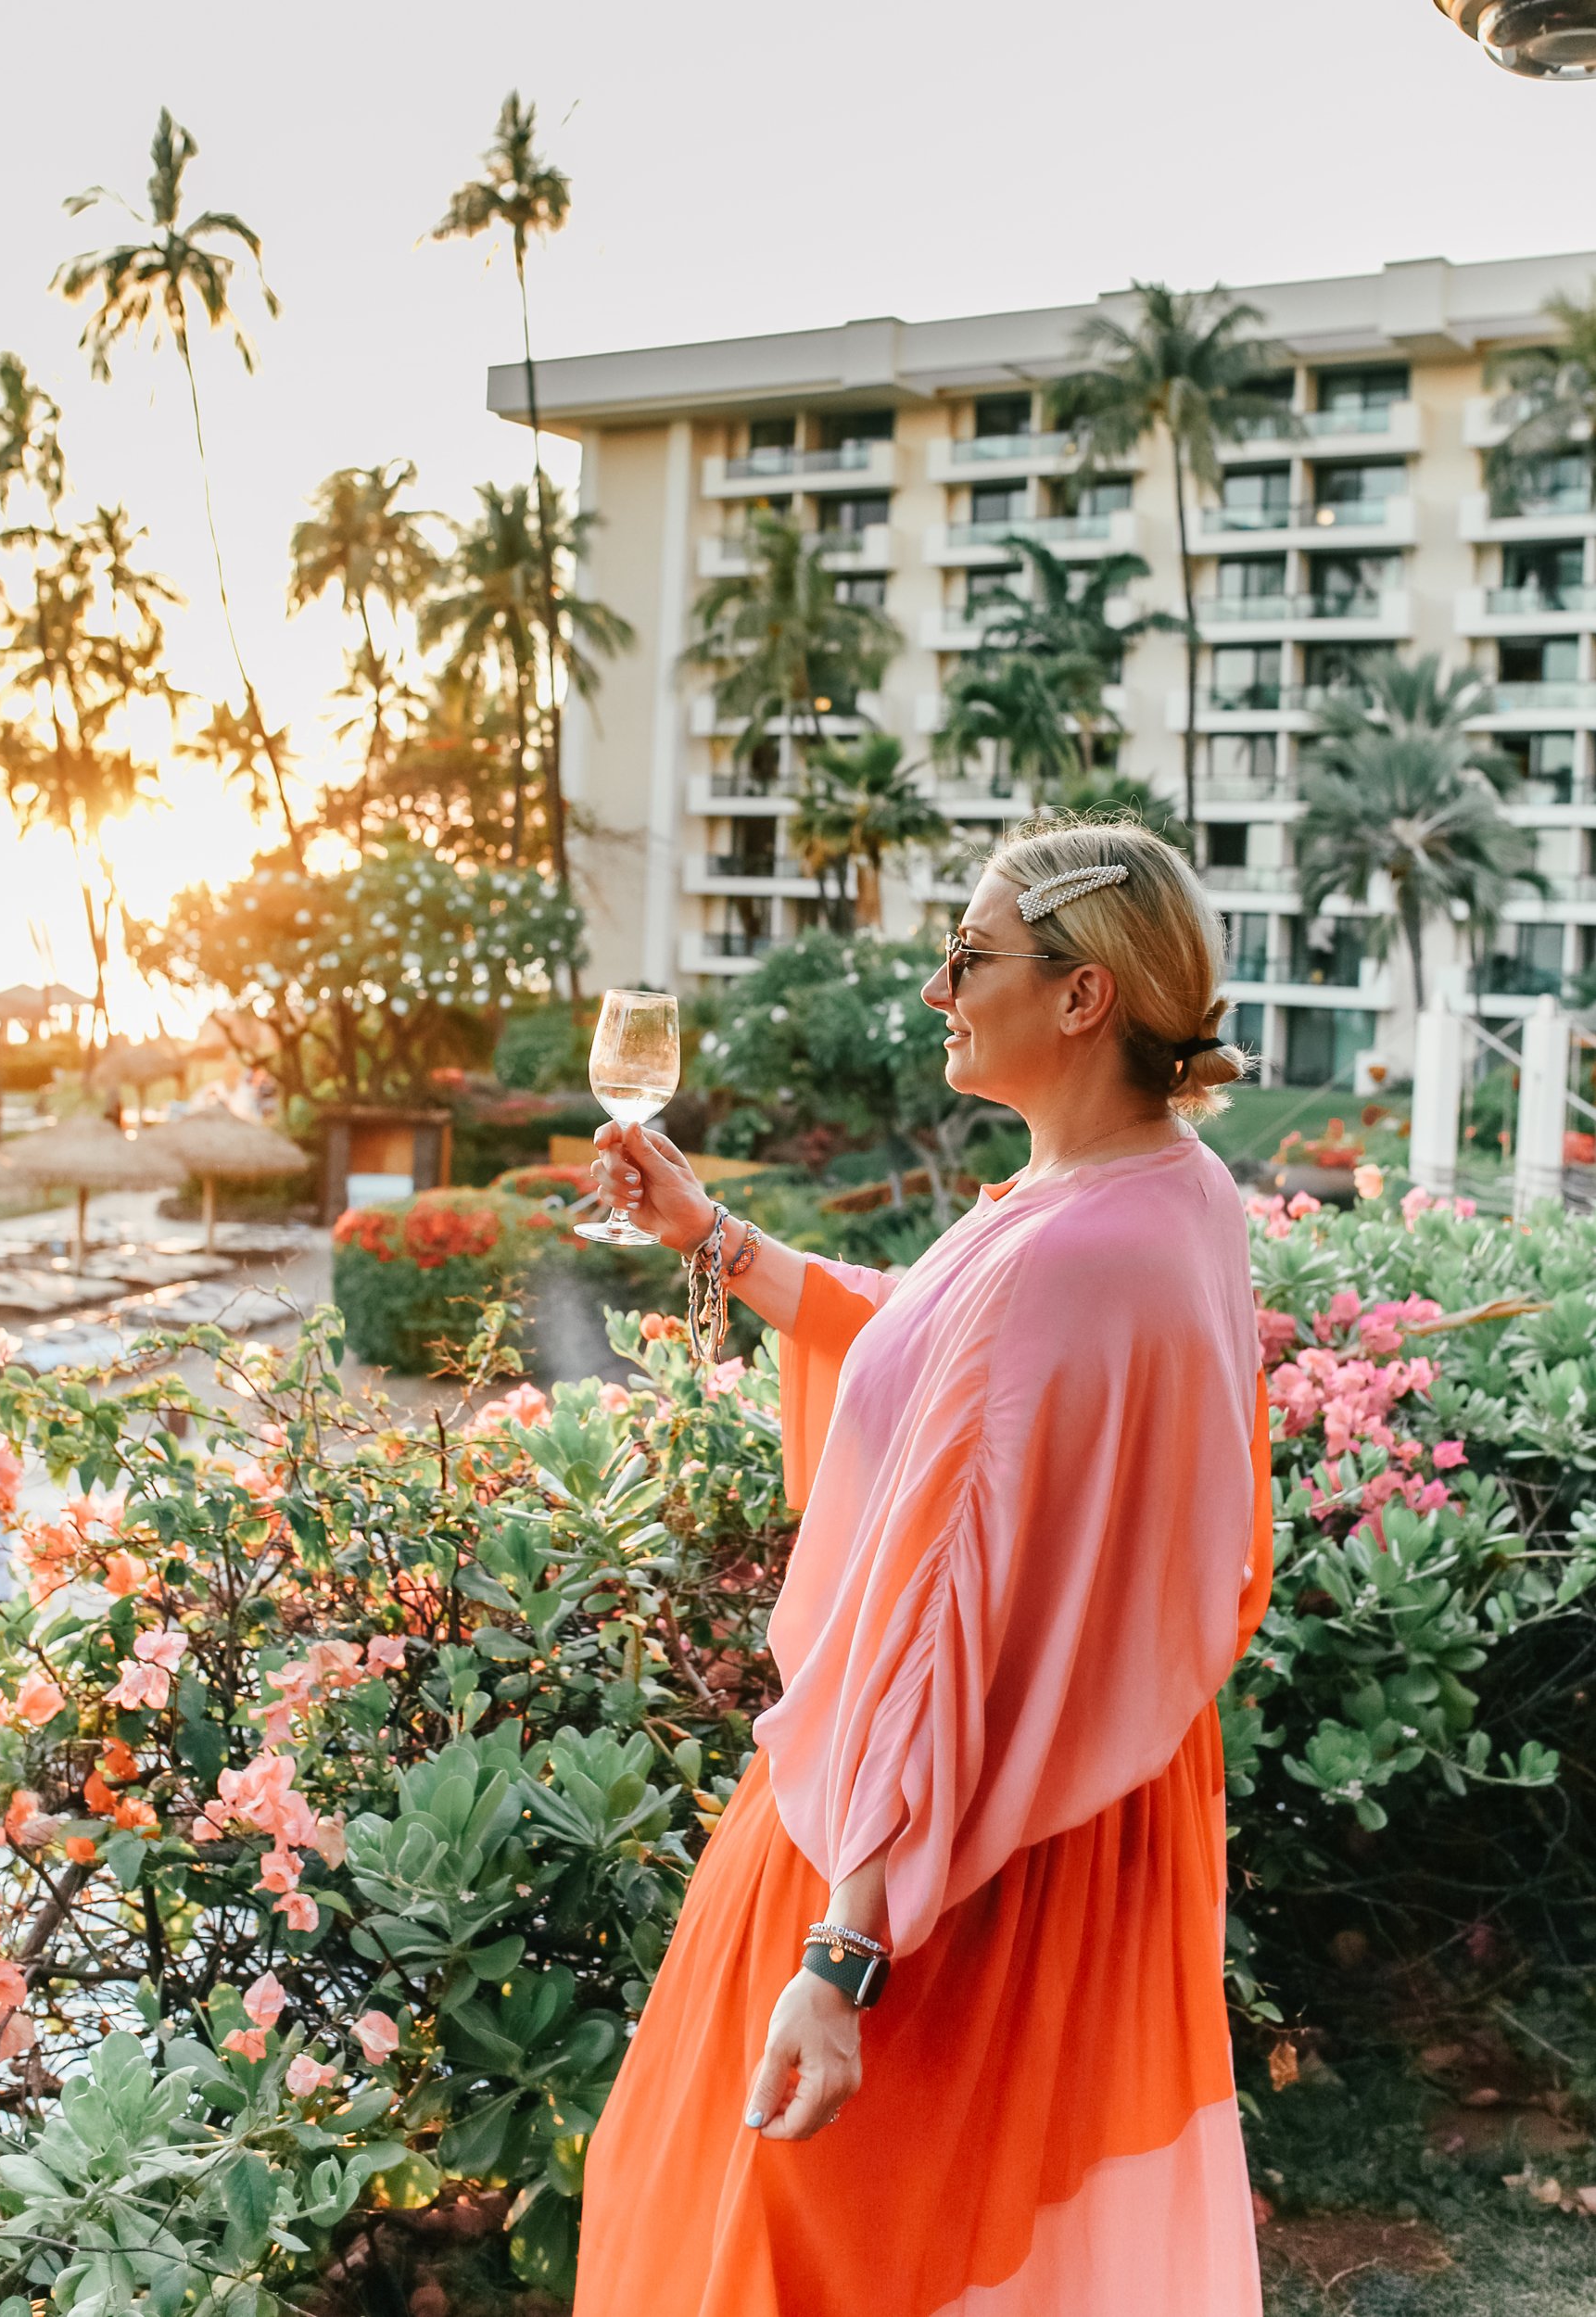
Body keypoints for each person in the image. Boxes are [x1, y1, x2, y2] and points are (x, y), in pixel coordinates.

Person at [572, 818, 1273, 2316]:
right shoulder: (1156, 1190)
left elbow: (950, 1611)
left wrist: (842, 1957)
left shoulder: (1065, 1253)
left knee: (776, 2230)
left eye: (965, 956)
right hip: (1067, 1815)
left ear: (1081, 996)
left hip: (935, 1848)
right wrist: (718, 1237)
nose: (936, 990)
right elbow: (937, 1348)